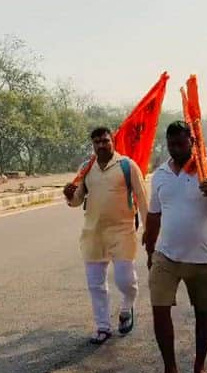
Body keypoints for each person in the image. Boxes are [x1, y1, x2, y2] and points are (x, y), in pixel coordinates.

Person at [141, 121, 207, 373]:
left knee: (203, 312)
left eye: (181, 144)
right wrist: (150, 251)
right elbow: (154, 215)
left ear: (192, 143)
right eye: (171, 144)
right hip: (166, 256)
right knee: (160, 308)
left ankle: (200, 368)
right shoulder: (159, 174)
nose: (176, 149)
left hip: (203, 257)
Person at [64, 126, 149, 345]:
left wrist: (150, 230)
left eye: (105, 141)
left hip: (122, 231)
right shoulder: (86, 167)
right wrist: (70, 195)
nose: (101, 145)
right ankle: (103, 326)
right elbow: (76, 201)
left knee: (125, 280)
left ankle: (127, 306)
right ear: (93, 145)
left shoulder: (126, 166)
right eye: (97, 142)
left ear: (113, 142)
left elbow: (142, 198)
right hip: (93, 233)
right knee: (96, 284)